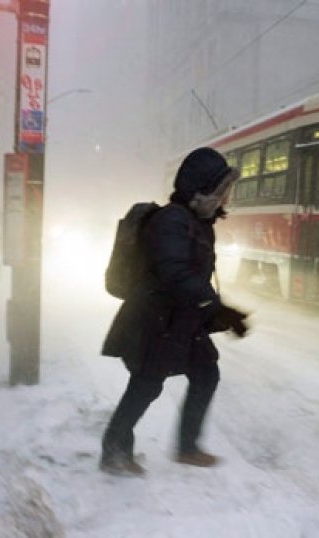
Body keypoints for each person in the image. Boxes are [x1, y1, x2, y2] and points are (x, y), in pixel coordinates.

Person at [99, 147, 250, 477]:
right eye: (222, 191)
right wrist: (219, 309)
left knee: (206, 373)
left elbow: (192, 278)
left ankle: (187, 447)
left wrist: (214, 313)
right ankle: (114, 451)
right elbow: (175, 275)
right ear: (201, 191)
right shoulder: (171, 221)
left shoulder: (197, 222)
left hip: (181, 321)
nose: (226, 198)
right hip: (155, 322)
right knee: (146, 385)